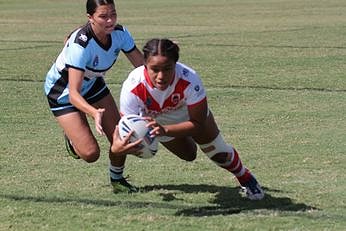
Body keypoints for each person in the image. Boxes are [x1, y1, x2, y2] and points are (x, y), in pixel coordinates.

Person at [119, 38, 265, 200]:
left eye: (167, 69)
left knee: (218, 152)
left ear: (176, 64)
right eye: (154, 69)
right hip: (158, 123)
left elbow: (198, 122)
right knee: (189, 155)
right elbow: (126, 127)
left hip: (189, 116)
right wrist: (134, 141)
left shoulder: (189, 78)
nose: (161, 76)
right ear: (145, 63)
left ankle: (245, 177)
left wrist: (166, 130)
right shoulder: (132, 86)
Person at [44, 0, 144, 193]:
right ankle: (73, 136)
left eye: (113, 14)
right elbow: (73, 93)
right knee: (90, 154)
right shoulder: (80, 45)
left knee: (120, 135)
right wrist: (93, 112)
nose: (110, 21)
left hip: (93, 85)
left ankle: (117, 180)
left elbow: (142, 68)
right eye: (103, 16)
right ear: (90, 18)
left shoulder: (121, 34)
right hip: (63, 92)